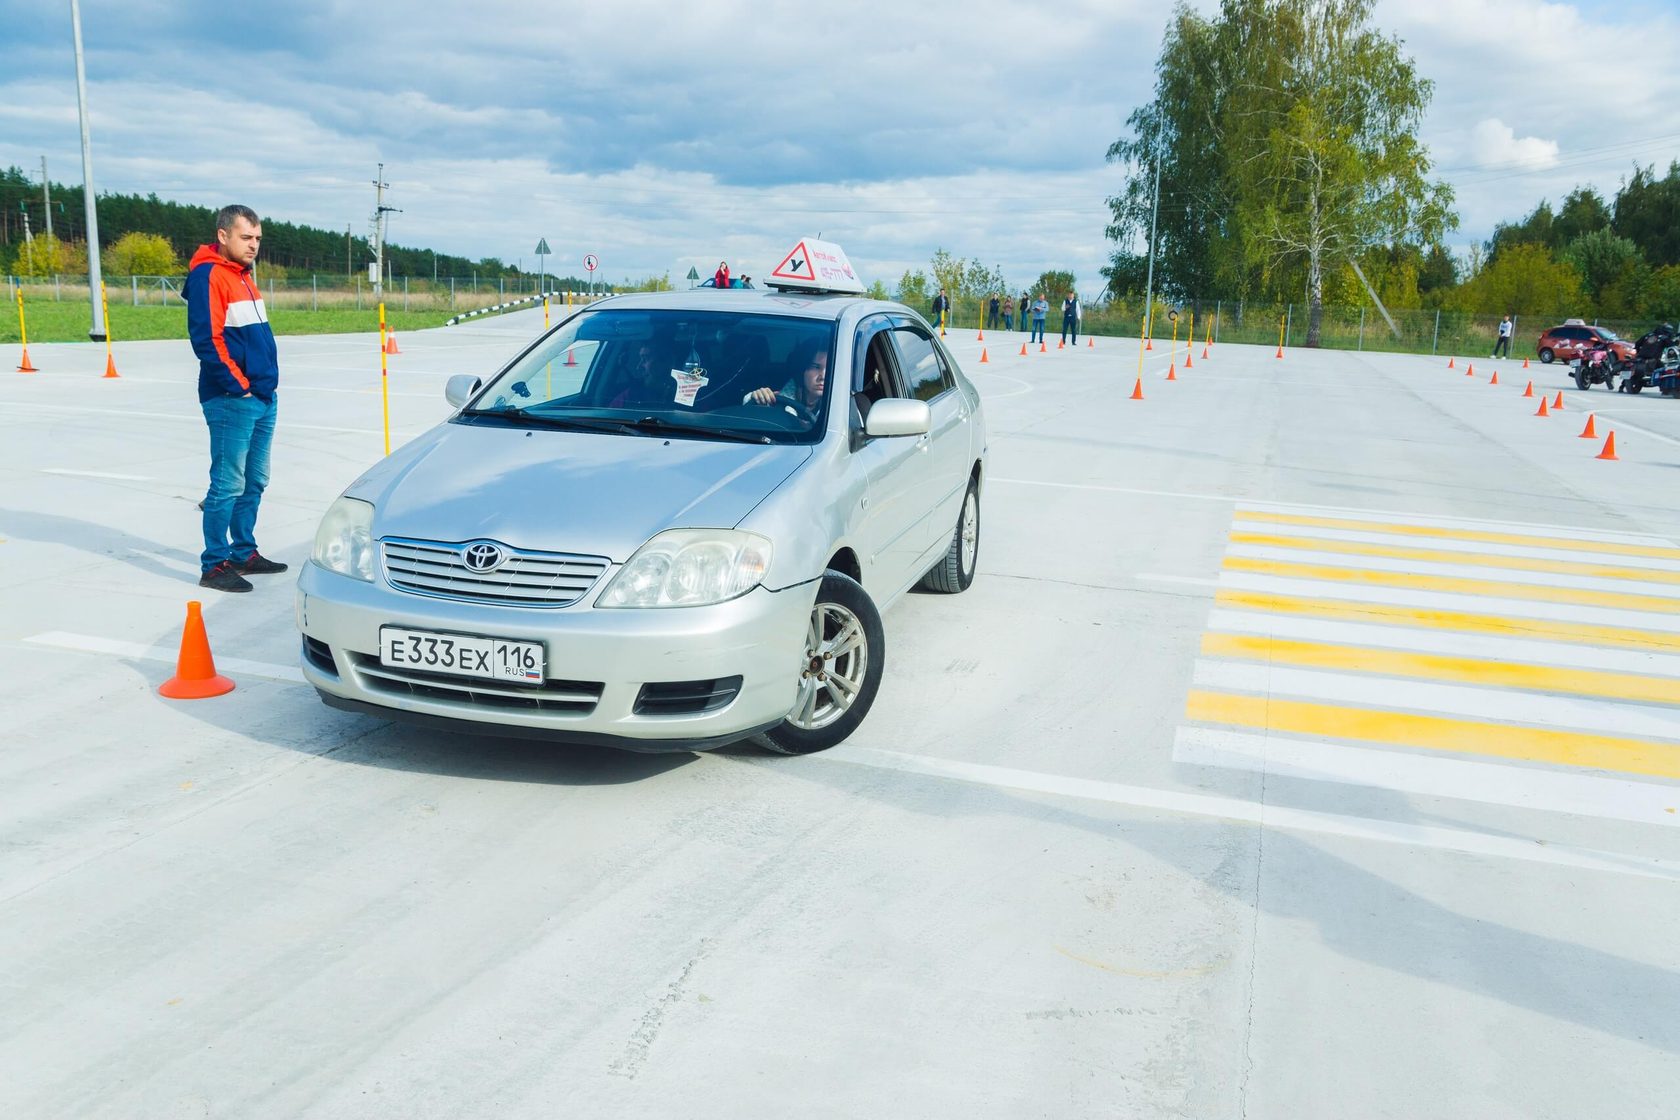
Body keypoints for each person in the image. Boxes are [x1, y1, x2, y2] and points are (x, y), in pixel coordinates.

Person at [187, 204, 284, 593]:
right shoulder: (209, 275)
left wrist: (262, 386)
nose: (254, 245)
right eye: (246, 237)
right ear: (223, 235)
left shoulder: (242, 275)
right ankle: (214, 564)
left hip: (261, 395)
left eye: (258, 238)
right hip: (232, 398)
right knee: (227, 483)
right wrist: (239, 384)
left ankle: (243, 552)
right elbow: (206, 340)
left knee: (255, 480)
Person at [746, 346, 828, 415]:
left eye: (829, 369)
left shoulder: (838, 407)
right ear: (802, 370)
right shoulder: (776, 401)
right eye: (816, 367)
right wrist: (758, 398)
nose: (823, 376)